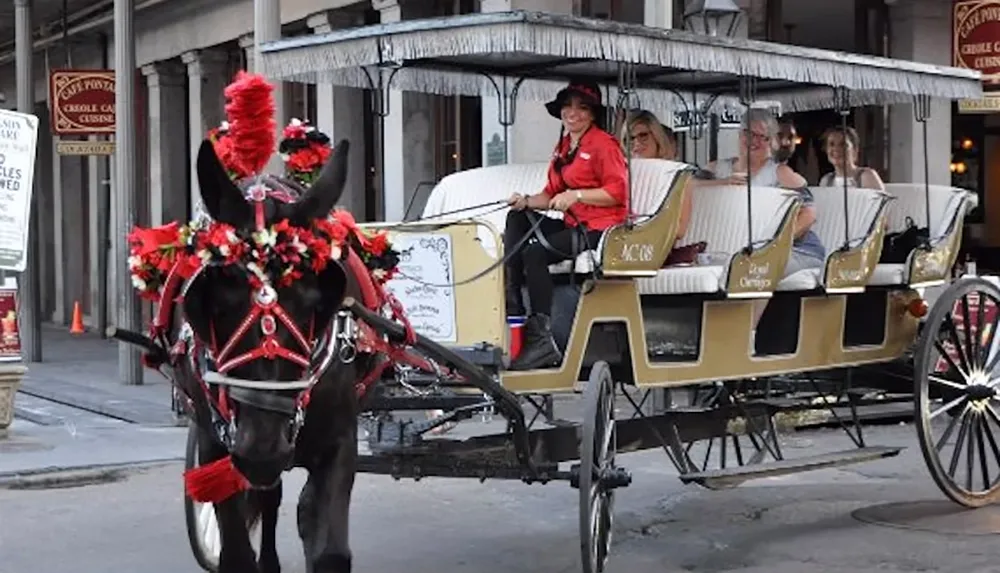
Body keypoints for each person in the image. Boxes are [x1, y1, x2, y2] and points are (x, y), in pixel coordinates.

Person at [504, 80, 629, 371]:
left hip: (600, 229)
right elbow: (549, 196)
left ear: (593, 114)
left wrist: (577, 195)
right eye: (568, 106)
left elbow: (619, 192)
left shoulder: (603, 144)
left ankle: (542, 338)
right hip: (572, 224)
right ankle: (512, 300)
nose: (573, 112)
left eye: (582, 107)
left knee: (534, 253)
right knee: (516, 218)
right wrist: (525, 200)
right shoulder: (563, 146)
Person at [707, 108, 825, 277]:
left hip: (799, 252)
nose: (754, 141)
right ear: (740, 135)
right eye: (749, 133)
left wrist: (775, 244)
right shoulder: (717, 169)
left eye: (762, 137)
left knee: (756, 268)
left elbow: (809, 214)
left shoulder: (781, 173)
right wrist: (723, 184)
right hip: (738, 249)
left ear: (771, 141)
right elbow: (689, 185)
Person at [622, 109, 692, 243]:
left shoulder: (677, 174)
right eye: (630, 138)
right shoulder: (620, 172)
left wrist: (641, 226)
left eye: (643, 136)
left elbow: (680, 229)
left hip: (657, 246)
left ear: (657, 137)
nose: (636, 143)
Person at [818, 125, 885, 190]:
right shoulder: (826, 180)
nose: (836, 149)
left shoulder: (867, 176)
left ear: (855, 150)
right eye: (831, 144)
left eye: (843, 144)